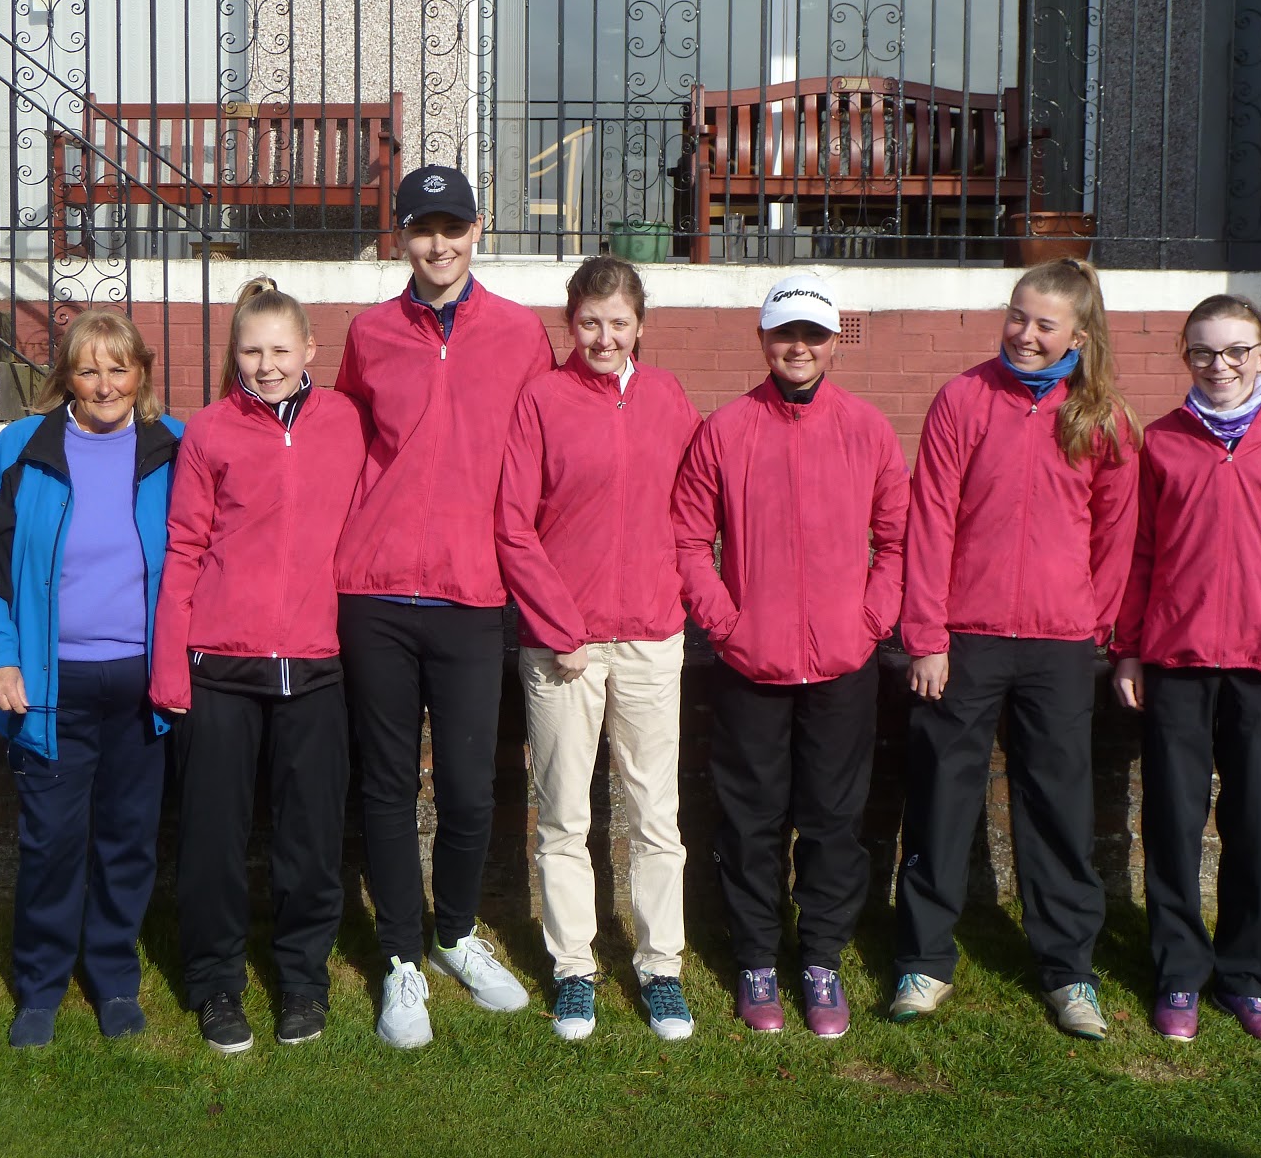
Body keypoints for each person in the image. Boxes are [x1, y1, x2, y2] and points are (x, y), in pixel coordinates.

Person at [334, 164, 555, 1048]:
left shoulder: (520, 334)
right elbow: (338, 443)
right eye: (422, 228)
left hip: (472, 590)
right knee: (386, 788)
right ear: (401, 235)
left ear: (476, 229)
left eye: (452, 227)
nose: (438, 244)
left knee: (470, 791)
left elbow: (545, 456)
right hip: (376, 591)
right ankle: (397, 957)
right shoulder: (369, 332)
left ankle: (455, 933)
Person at [892, 257, 1140, 1040]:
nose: (1026, 335)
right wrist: (926, 635)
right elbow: (928, 520)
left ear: (1079, 332)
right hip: (962, 640)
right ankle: (925, 962)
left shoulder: (1103, 417)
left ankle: (1069, 973)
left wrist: (1089, 622)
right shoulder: (963, 398)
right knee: (940, 799)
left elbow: (1116, 534)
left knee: (1059, 808)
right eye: (1017, 316)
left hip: (1058, 647)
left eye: (1044, 324)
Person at [672, 274, 909, 1037]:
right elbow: (687, 539)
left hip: (842, 666)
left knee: (835, 821)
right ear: (764, 339)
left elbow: (899, 541)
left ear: (835, 342)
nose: (798, 347)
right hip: (752, 666)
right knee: (750, 822)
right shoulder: (727, 428)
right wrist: (725, 622)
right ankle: (755, 960)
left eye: (812, 335)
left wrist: (870, 620)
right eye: (785, 334)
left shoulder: (868, 429)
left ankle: (821, 960)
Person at [1111, 294, 1261, 1046]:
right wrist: (1128, 648)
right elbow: (1138, 555)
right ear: (1186, 356)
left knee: (1253, 828)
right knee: (1173, 826)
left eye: (1237, 351)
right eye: (1205, 352)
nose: (1221, 366)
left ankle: (1247, 977)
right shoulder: (1162, 442)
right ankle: (1180, 970)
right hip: (1176, 664)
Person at [0, 310, 182, 1048]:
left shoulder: (173, 448)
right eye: (88, 369)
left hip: (142, 685)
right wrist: (0, 655)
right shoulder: (21, 449)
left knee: (127, 839)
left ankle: (113, 977)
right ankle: (41, 986)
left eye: (120, 368)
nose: (105, 384)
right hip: (49, 688)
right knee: (51, 841)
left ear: (140, 373)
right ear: (66, 380)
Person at [150, 277, 368, 1054]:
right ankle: (215, 986)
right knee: (211, 841)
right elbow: (183, 548)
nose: (267, 365)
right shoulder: (208, 432)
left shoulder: (347, 421)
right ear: (233, 355)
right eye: (252, 351)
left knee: (308, 840)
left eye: (281, 350)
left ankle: (302, 981)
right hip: (219, 668)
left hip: (313, 665)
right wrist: (170, 666)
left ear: (310, 350)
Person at [496, 255, 702, 1042]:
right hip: (564, 646)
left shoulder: (669, 399)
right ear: (569, 322)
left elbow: (694, 505)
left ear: (641, 326)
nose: (604, 337)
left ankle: (660, 967)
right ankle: (574, 968)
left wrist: (682, 596)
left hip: (652, 636)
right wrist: (561, 626)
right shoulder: (542, 401)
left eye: (619, 323)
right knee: (563, 814)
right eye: (590, 322)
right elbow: (514, 524)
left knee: (657, 815)